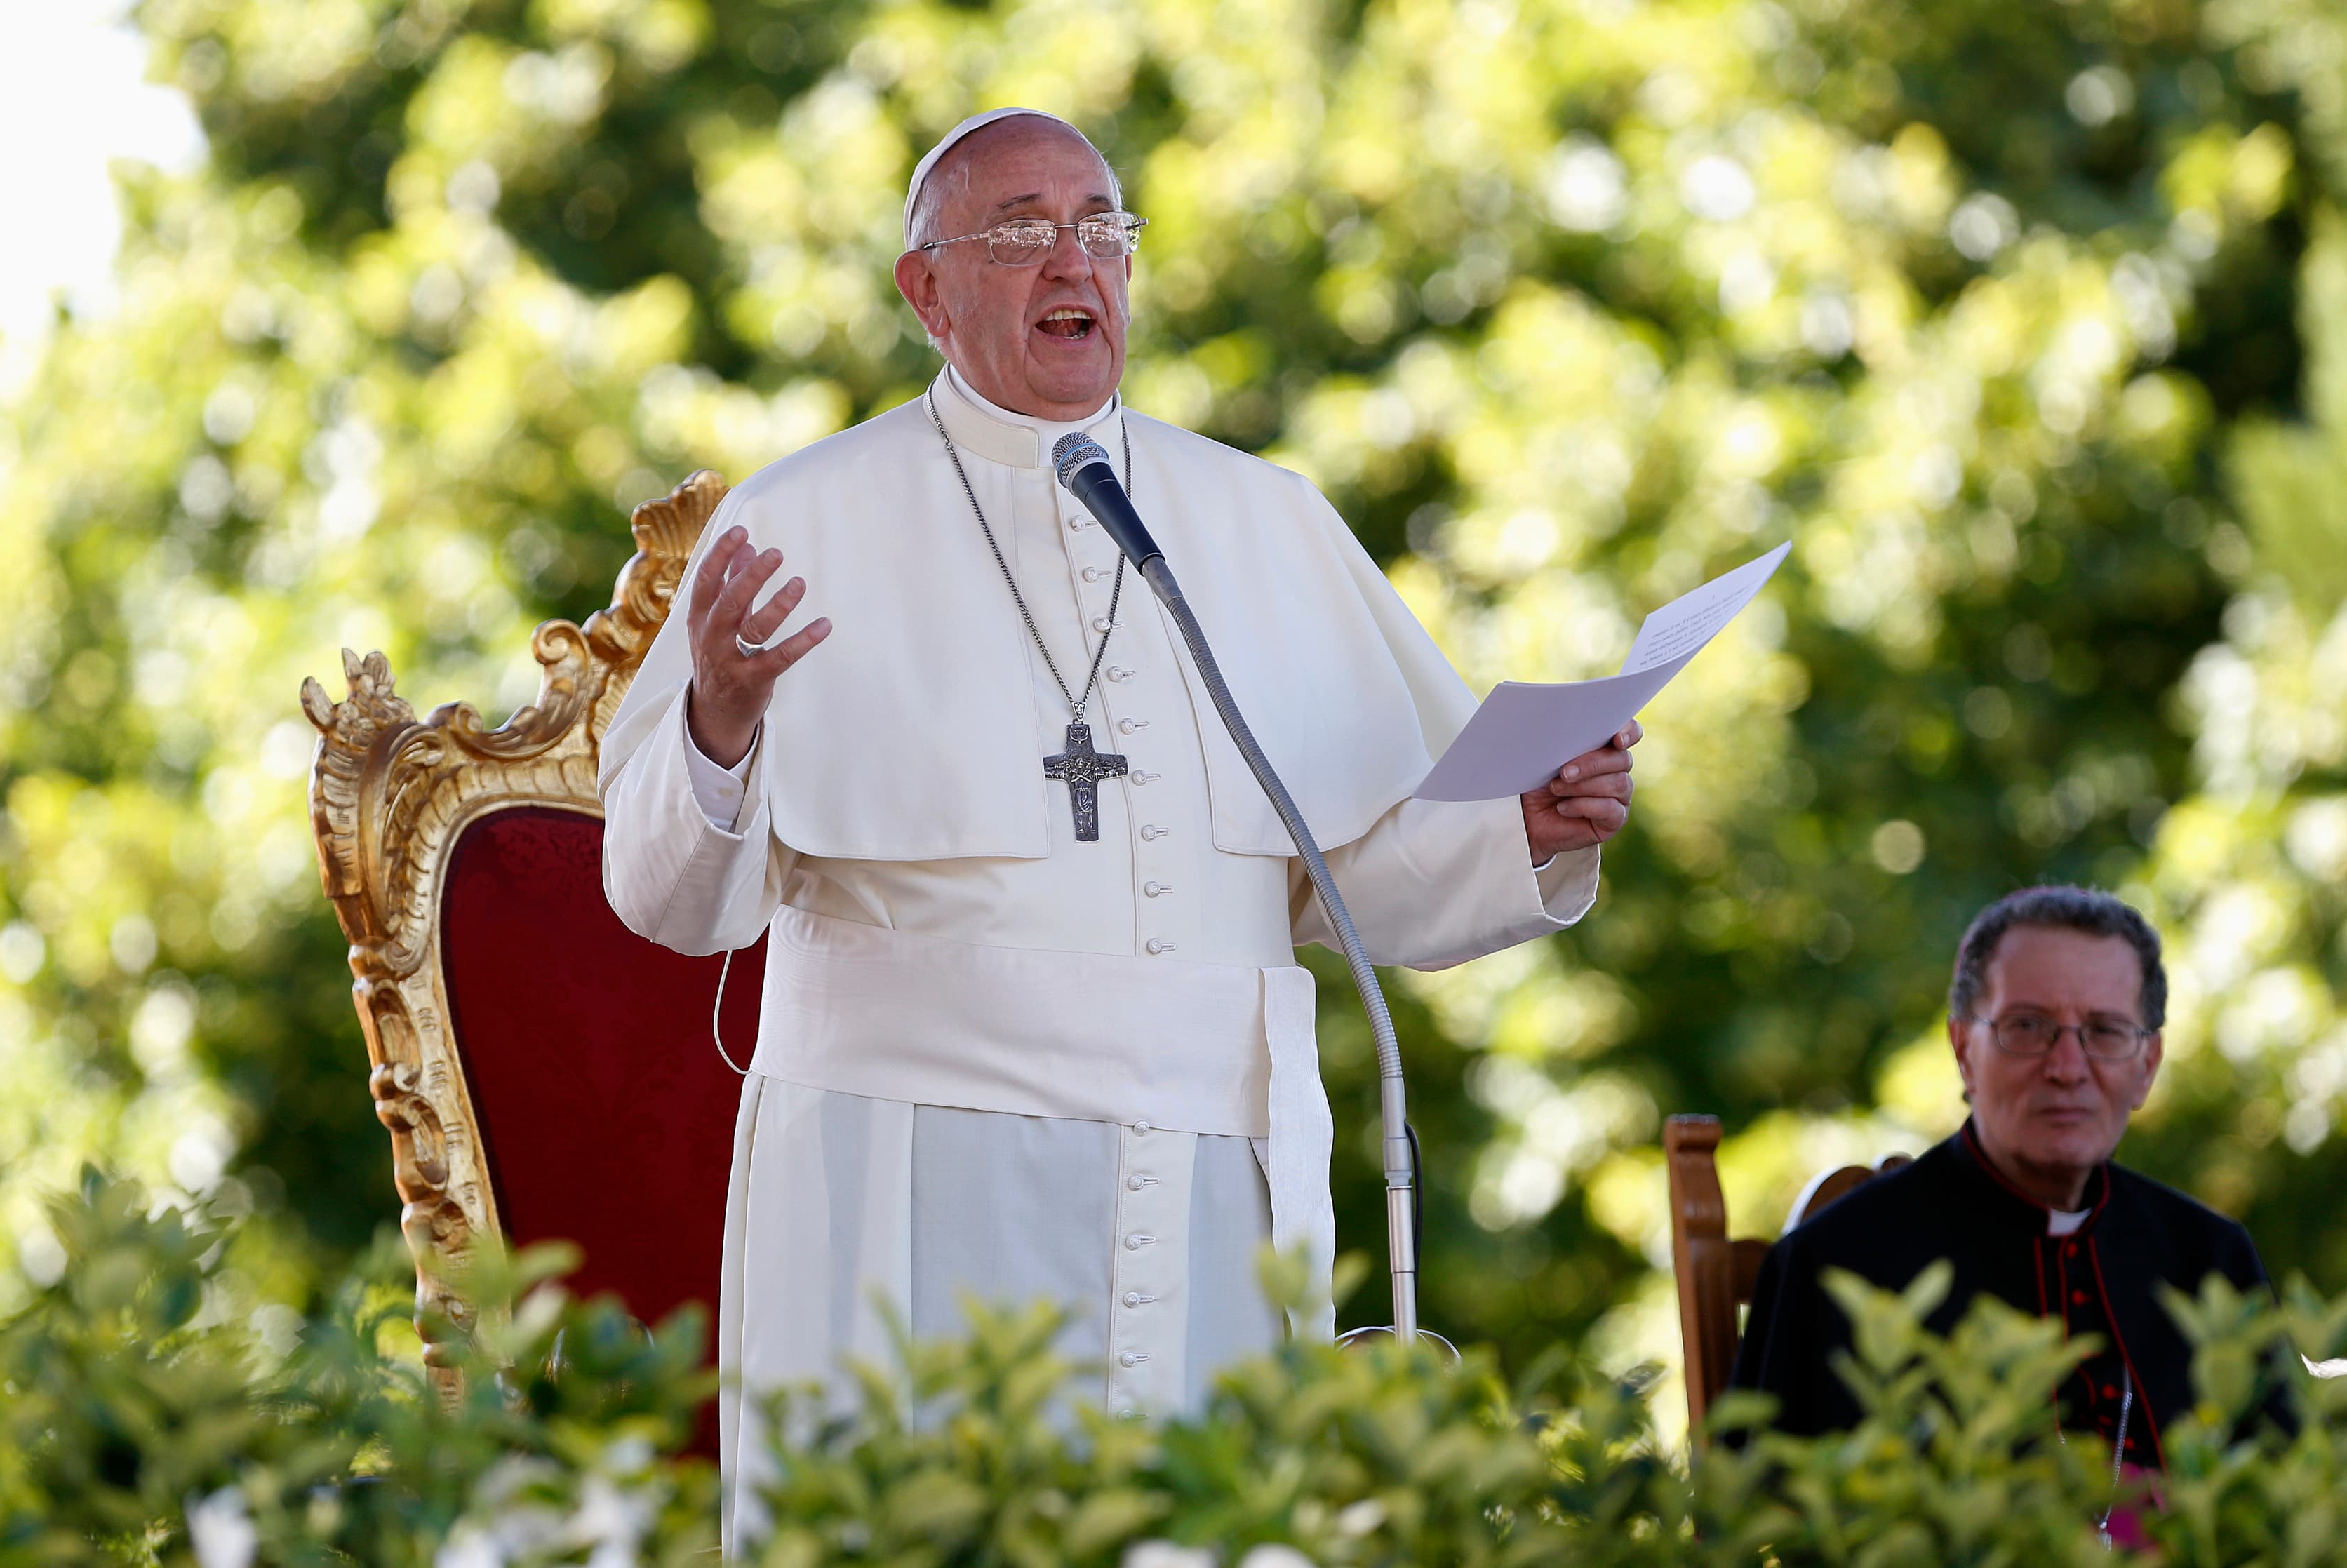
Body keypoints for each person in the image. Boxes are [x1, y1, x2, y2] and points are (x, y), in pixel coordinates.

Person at [597, 107, 1640, 1542]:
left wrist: (1527, 823)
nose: (1073, 258)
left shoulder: (1260, 521)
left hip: (1212, 1193)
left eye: (1101, 226)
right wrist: (716, 718)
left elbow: (1363, 886)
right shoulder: (799, 526)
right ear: (927, 290)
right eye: (1021, 230)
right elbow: (664, 895)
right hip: (913, 1194)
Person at [1730, 885, 2275, 1479]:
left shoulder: (2212, 1260)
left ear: (2147, 1066)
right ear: (1964, 1049)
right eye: (2028, 1026)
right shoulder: (1833, 1264)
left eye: (2107, 1031)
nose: (2067, 1068)